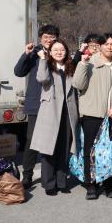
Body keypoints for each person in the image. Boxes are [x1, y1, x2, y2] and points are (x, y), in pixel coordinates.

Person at [72, 33, 112, 200]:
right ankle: (90, 184)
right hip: (92, 115)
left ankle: (109, 184)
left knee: (110, 151)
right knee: (90, 151)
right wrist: (82, 64)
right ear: (100, 46)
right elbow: (77, 84)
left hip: (111, 115)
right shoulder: (89, 63)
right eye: (106, 44)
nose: (110, 47)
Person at [13, 24, 60, 188]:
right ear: (41, 38)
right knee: (32, 140)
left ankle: (51, 174)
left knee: (53, 139)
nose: (49, 39)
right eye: (46, 36)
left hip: (53, 103)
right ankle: (27, 175)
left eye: (52, 36)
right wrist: (26, 53)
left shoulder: (58, 53)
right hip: (36, 103)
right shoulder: (33, 53)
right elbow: (18, 72)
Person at [30, 40, 78, 196]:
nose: (59, 52)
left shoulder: (71, 68)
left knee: (64, 149)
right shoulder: (47, 67)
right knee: (49, 149)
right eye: (55, 50)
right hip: (50, 112)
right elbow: (42, 79)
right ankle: (49, 184)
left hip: (67, 113)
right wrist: (43, 60)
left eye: (62, 49)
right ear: (50, 52)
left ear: (66, 52)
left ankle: (62, 181)